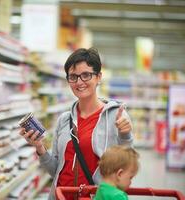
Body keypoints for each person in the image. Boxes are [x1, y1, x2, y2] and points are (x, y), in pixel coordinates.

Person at [19, 47, 133, 200]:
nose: (79, 82)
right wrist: (40, 147)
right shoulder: (64, 120)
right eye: (73, 76)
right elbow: (55, 171)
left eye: (86, 75)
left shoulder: (115, 116)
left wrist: (125, 136)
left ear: (98, 77)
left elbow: (126, 167)